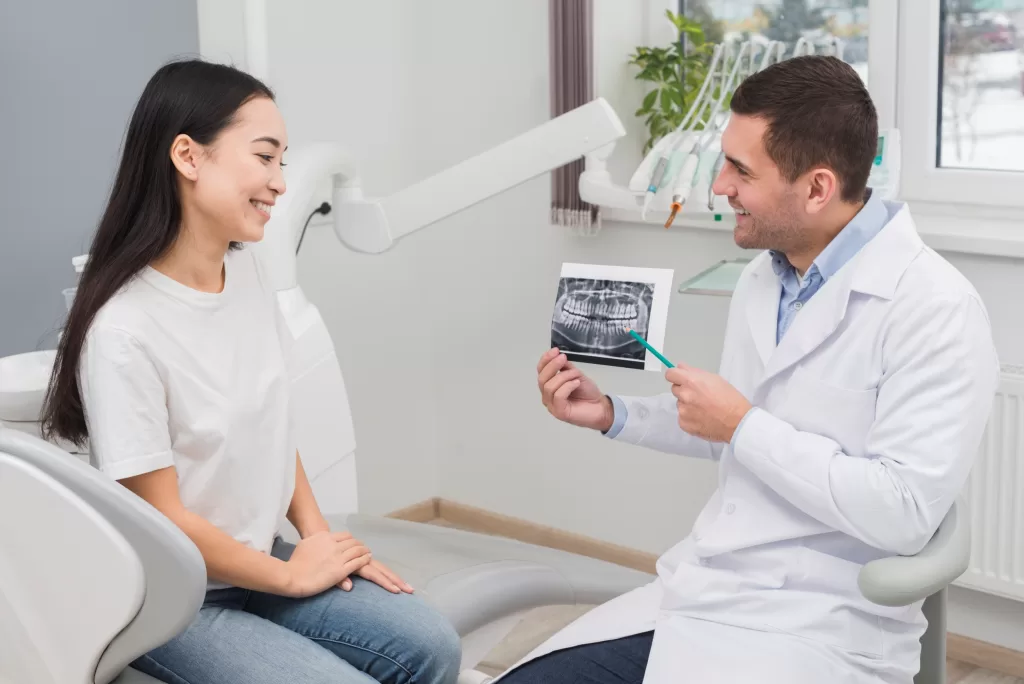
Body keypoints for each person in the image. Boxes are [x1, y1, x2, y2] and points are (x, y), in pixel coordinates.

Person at [512, 56, 1000, 684]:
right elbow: (726, 425)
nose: (719, 187)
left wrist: (742, 425)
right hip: (707, 590)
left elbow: (903, 513)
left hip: (823, 623)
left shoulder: (935, 308)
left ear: (817, 188)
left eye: (740, 170)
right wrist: (614, 413)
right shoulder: (763, 278)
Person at [40, 59, 461, 684]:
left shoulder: (248, 275)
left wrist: (320, 543)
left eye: (282, 161)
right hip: (172, 597)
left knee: (432, 646)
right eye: (265, 157)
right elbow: (165, 523)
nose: (280, 183)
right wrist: (291, 575)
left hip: (254, 560)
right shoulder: (125, 330)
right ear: (188, 156)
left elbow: (271, 428)